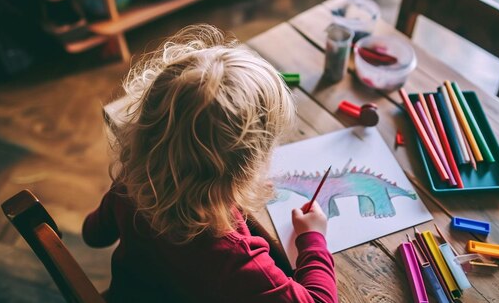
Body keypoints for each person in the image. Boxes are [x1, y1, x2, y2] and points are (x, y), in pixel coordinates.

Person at [82, 25, 337, 303]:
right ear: (244, 170)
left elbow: (94, 235)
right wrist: (313, 239)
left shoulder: (133, 181)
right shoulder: (234, 259)